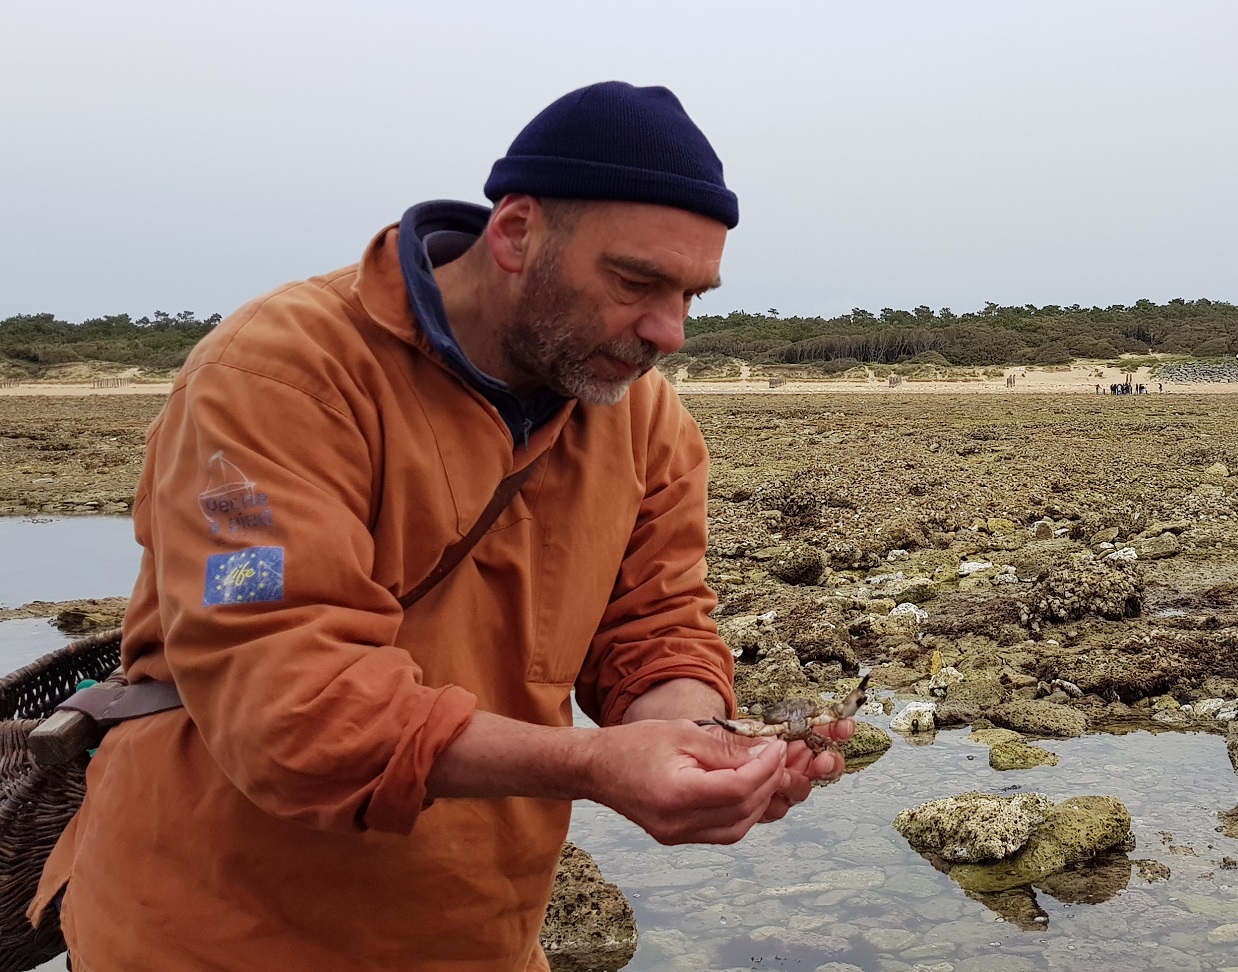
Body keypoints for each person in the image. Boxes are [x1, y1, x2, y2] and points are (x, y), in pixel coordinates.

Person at [31, 82, 851, 971]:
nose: (669, 331)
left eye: (692, 293)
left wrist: (702, 742)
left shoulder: (646, 423)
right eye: (636, 281)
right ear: (516, 233)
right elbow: (289, 698)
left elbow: (654, 632)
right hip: (209, 931)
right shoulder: (277, 377)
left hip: (477, 935)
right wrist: (594, 765)